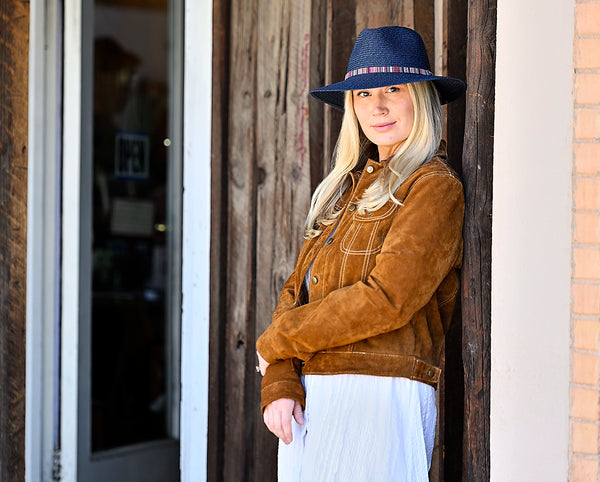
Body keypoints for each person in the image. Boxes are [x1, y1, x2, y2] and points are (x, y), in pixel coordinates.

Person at [256, 26, 467, 481]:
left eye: (395, 88)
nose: (379, 105)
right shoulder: (344, 190)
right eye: (364, 92)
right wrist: (280, 380)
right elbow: (296, 291)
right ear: (351, 106)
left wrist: (276, 342)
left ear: (422, 98)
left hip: (380, 396)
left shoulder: (432, 187)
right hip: (311, 401)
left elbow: (388, 297)